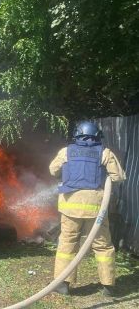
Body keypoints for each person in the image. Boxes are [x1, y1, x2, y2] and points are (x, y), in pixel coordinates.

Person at [49, 121, 126, 296]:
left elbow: (53, 170)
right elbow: (118, 177)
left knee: (67, 243)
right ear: (97, 136)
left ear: (76, 135)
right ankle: (108, 286)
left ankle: (62, 284)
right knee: (103, 246)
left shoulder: (66, 151)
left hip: (70, 206)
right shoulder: (105, 153)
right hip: (96, 208)